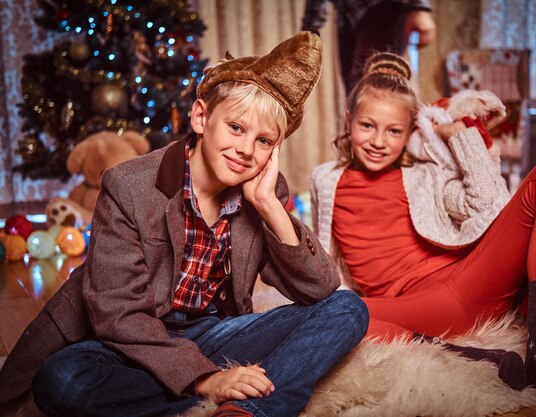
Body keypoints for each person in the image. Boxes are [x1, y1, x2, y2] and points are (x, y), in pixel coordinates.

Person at [0, 31, 369, 417]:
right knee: (61, 379)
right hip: (131, 342)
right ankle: (210, 398)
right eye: (236, 128)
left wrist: (268, 206)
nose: (246, 150)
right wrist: (203, 378)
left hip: (214, 333)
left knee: (347, 308)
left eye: (264, 141)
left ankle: (246, 412)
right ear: (200, 117)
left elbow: (320, 288)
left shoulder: (261, 190)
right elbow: (118, 315)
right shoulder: (130, 186)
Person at [310, 52, 536, 397]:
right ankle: (471, 355)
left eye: (394, 130)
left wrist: (456, 132)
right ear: (348, 119)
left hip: (470, 281)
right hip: (412, 308)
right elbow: (324, 261)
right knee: (313, 314)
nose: (379, 141)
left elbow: (490, 205)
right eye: (367, 125)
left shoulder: (426, 174)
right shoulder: (325, 181)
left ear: (412, 131)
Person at [302, 0, 436, 92]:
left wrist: (419, 6)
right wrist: (309, 30)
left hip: (381, 7)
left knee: (377, 89)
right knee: (354, 94)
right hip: (347, 18)